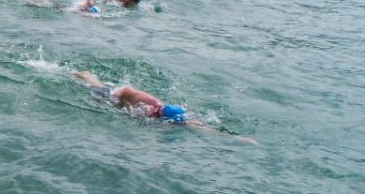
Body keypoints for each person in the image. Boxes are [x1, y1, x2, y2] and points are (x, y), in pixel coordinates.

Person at [73, 70, 256, 143]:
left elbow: (196, 125)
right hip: (119, 94)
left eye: (157, 114)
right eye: (156, 112)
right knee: (98, 88)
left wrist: (237, 137)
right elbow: (125, 97)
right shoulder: (146, 102)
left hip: (129, 98)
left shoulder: (164, 112)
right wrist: (120, 108)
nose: (154, 112)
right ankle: (85, 75)